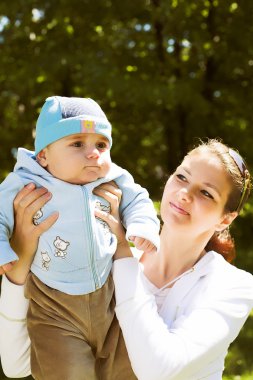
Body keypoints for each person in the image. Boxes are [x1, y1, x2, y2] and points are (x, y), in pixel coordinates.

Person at [1, 139, 253, 380]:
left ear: (225, 219)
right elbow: (18, 362)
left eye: (206, 193)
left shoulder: (233, 285)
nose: (185, 194)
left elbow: (157, 371)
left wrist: (122, 249)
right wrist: (21, 259)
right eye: (181, 177)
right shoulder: (103, 261)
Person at [0, 95, 160, 380]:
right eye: (77, 144)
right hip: (53, 307)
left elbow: (139, 201)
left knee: (128, 368)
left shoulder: (113, 178)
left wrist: (142, 228)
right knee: (69, 372)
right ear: (44, 156)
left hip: (109, 299)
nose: (94, 153)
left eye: (101, 144)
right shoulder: (25, 183)